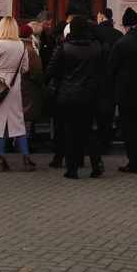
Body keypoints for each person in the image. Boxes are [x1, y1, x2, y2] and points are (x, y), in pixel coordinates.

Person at [48, 15, 104, 179]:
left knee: (70, 131)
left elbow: (52, 71)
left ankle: (72, 169)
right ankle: (97, 164)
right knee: (89, 130)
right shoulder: (96, 47)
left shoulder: (64, 48)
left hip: (68, 95)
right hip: (90, 95)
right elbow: (101, 70)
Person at [0, 14, 37, 172]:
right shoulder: (21, 45)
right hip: (15, 85)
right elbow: (25, 68)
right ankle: (26, 158)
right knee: (17, 122)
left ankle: (1, 158)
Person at [109, 8, 137, 173]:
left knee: (130, 129)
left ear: (125, 25)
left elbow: (112, 68)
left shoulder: (121, 43)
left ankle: (134, 162)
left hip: (127, 94)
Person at [92, 10, 123, 157]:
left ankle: (96, 143)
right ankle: (106, 140)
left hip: (96, 79)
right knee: (108, 113)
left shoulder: (95, 33)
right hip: (113, 80)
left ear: (101, 17)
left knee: (96, 113)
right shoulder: (118, 35)